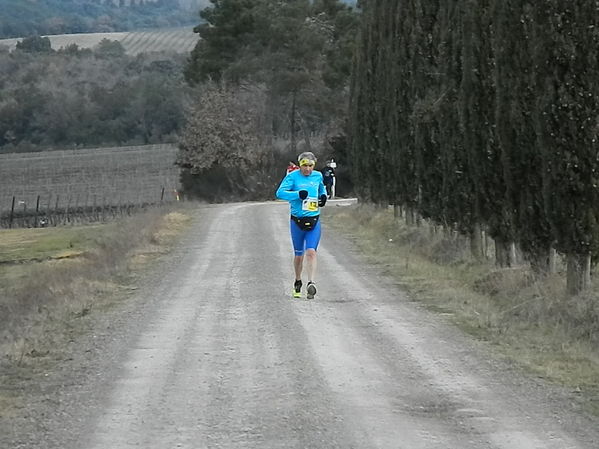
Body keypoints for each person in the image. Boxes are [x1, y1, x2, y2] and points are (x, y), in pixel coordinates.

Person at [276, 151, 327, 299]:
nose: (308, 169)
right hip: (297, 221)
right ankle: (298, 281)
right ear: (300, 165)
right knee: (299, 255)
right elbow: (280, 193)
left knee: (311, 252)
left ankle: (311, 283)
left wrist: (323, 196)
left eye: (311, 166)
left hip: (314, 220)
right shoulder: (292, 177)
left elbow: (321, 188)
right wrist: (297, 195)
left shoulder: (318, 176)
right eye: (305, 166)